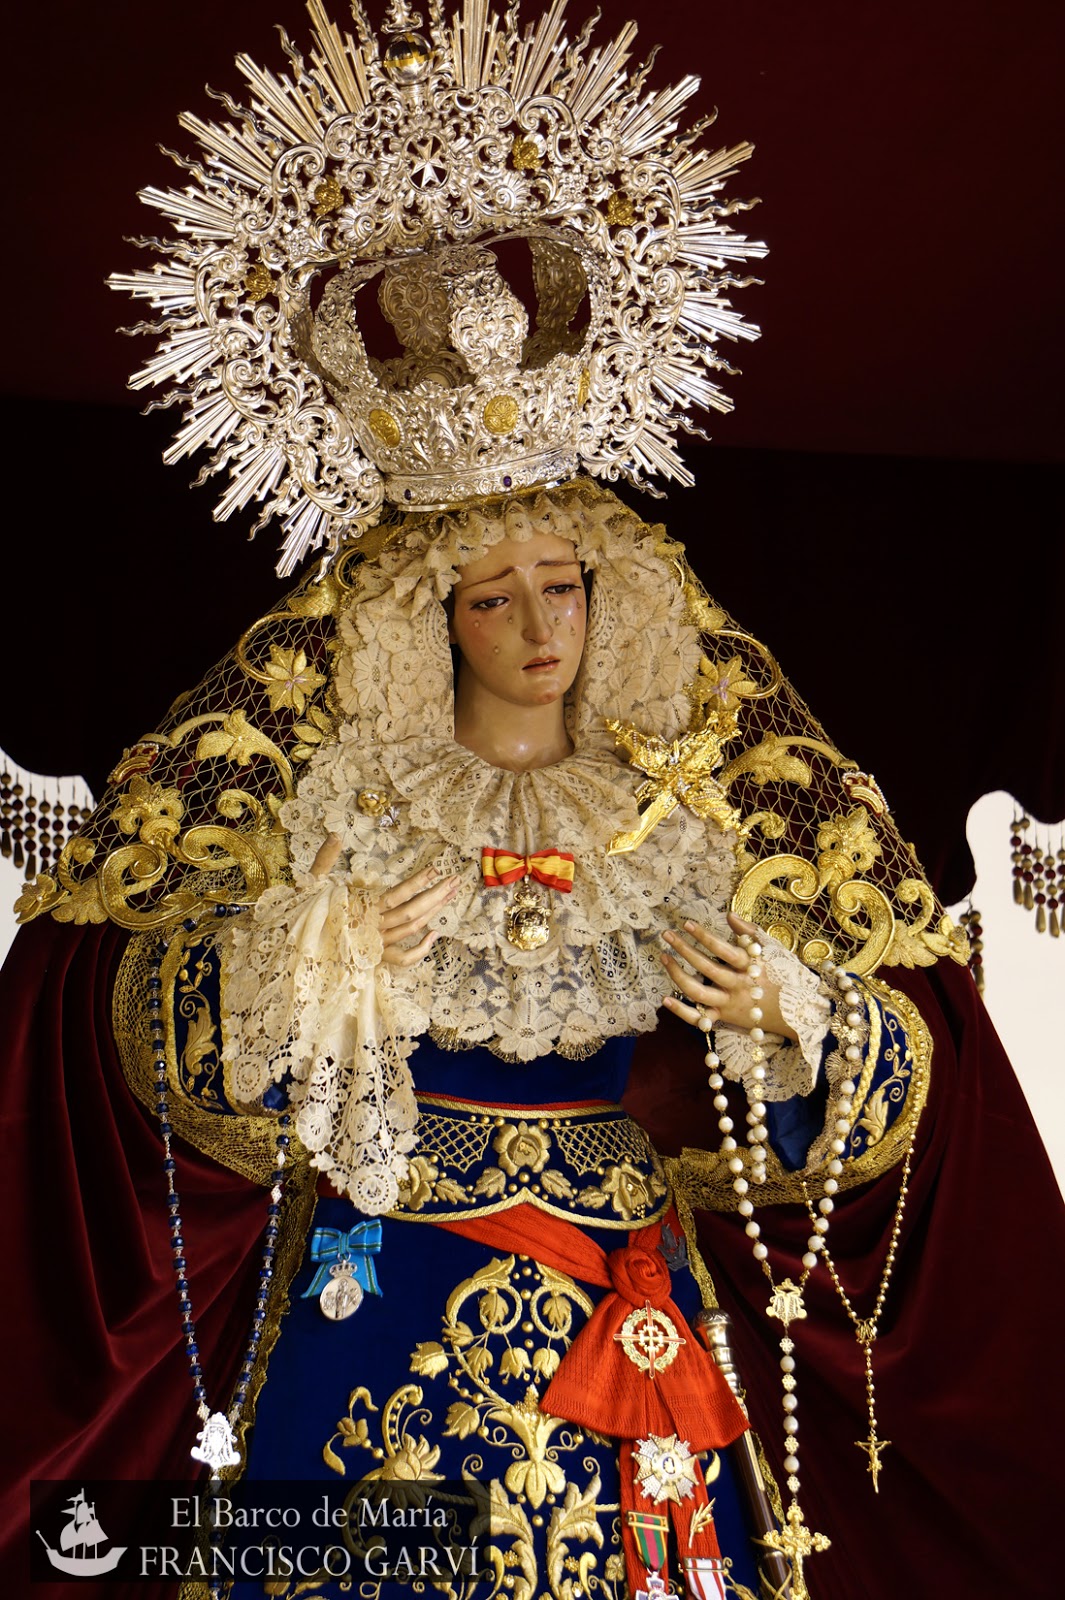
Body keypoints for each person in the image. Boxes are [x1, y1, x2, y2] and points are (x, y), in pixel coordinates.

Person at [3, 4, 1063, 1599]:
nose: (536, 624)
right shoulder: (336, 796)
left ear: (605, 595)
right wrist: (314, 960)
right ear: (430, 622)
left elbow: (892, 1077)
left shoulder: (686, 808)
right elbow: (127, 1047)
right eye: (490, 598)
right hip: (373, 1284)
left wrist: (790, 1017)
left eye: (560, 584)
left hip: (631, 1301)